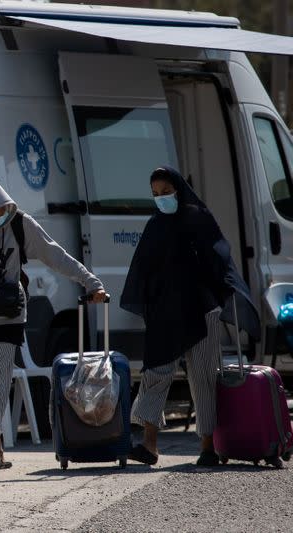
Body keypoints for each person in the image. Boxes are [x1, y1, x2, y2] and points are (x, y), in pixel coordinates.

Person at [0, 175, 106, 474]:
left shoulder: (20, 223)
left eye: (0, 211)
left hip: (9, 315)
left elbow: (55, 254)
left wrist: (90, 281)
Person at [121, 166, 259, 467]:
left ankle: (209, 447)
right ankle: (149, 445)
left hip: (199, 310)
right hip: (165, 313)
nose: (161, 199)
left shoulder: (198, 219)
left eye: (166, 192)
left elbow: (220, 259)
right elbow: (142, 271)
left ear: (178, 190)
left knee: (204, 377)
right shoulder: (155, 226)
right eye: (155, 194)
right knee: (156, 372)